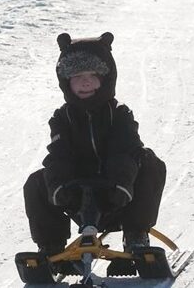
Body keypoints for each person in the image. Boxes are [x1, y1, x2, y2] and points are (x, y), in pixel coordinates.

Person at [23, 32, 167, 267]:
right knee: (37, 182)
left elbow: (125, 150)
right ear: (66, 81)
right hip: (76, 195)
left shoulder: (120, 114)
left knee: (150, 163)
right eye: (78, 76)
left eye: (93, 75)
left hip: (118, 195)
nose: (86, 81)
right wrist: (60, 187)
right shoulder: (62, 118)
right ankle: (50, 246)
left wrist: (120, 184)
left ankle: (136, 236)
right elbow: (59, 156)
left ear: (106, 79)